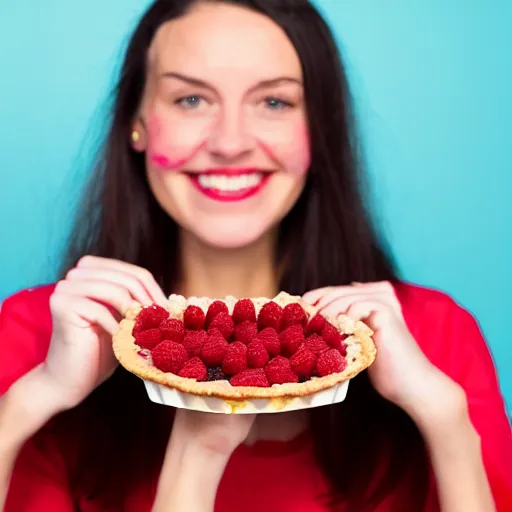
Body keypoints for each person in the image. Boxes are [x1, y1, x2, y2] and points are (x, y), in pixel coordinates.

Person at [0, 0, 511, 510]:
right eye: (191, 99)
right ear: (137, 121)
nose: (229, 143)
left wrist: (446, 420)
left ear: (320, 129)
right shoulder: (45, 334)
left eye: (274, 103)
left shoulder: (432, 337)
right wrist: (32, 398)